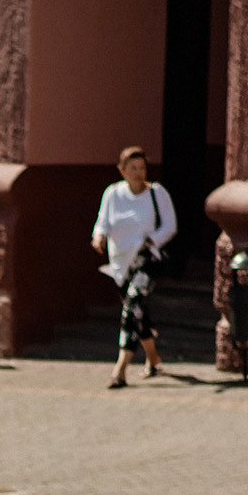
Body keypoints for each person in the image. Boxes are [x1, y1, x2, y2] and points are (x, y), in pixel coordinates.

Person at [91, 145, 177, 388]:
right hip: (120, 263)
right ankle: (153, 359)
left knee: (133, 305)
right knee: (138, 312)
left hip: (146, 259)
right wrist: (99, 237)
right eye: (133, 168)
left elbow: (170, 225)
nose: (139, 173)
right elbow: (103, 222)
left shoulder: (156, 193)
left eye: (142, 167)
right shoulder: (113, 194)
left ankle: (120, 369)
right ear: (122, 170)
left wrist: (150, 241)